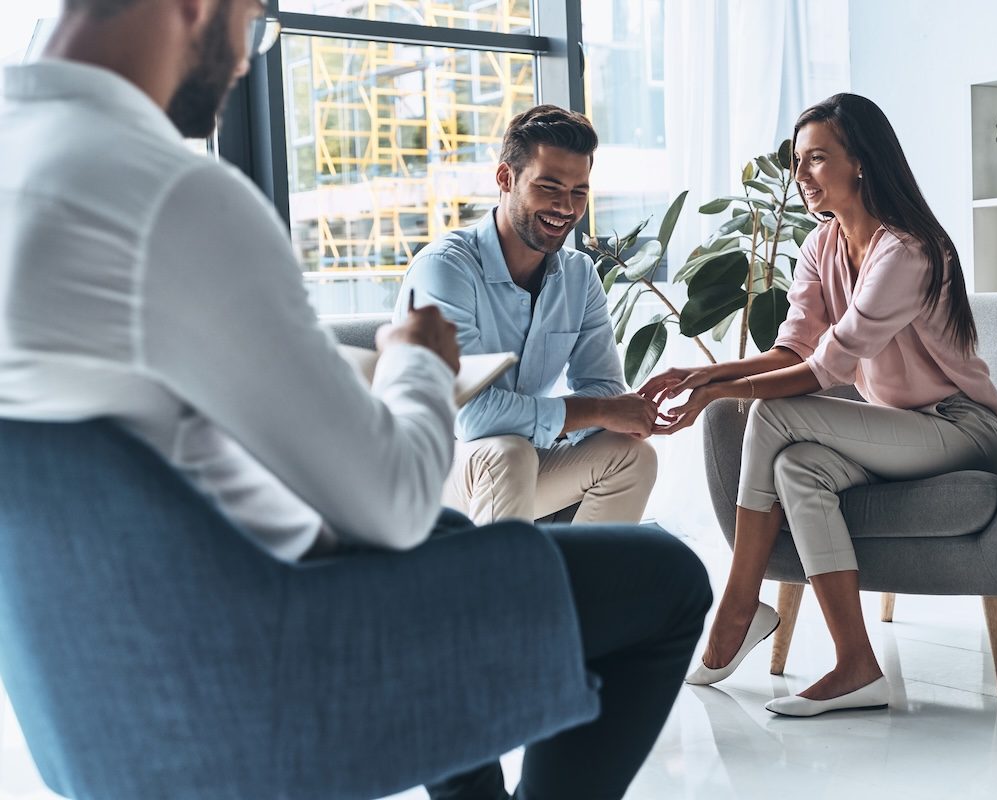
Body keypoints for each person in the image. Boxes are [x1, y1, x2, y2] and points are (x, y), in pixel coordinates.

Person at [0, 1, 710, 797]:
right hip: (281, 652)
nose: (245, 57)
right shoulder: (174, 196)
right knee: (669, 579)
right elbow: (393, 505)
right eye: (252, 21)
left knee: (455, 536)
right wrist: (416, 363)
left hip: (99, 686)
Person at [641, 93, 997, 717]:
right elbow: (791, 350)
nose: (800, 175)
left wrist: (715, 390)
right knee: (797, 468)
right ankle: (857, 665)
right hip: (897, 430)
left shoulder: (907, 251)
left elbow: (824, 370)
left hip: (960, 429)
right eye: (797, 161)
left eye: (816, 158)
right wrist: (703, 374)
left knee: (773, 414)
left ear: (860, 161)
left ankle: (738, 603)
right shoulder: (822, 245)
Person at [395, 105, 659, 526]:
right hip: (426, 473)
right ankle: (508, 573)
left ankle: (579, 573)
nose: (565, 207)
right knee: (509, 453)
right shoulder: (445, 268)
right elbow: (472, 416)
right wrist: (595, 411)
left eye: (579, 192)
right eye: (548, 187)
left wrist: (613, 412)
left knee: (633, 456)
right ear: (506, 178)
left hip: (515, 463)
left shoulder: (579, 274)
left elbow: (605, 388)